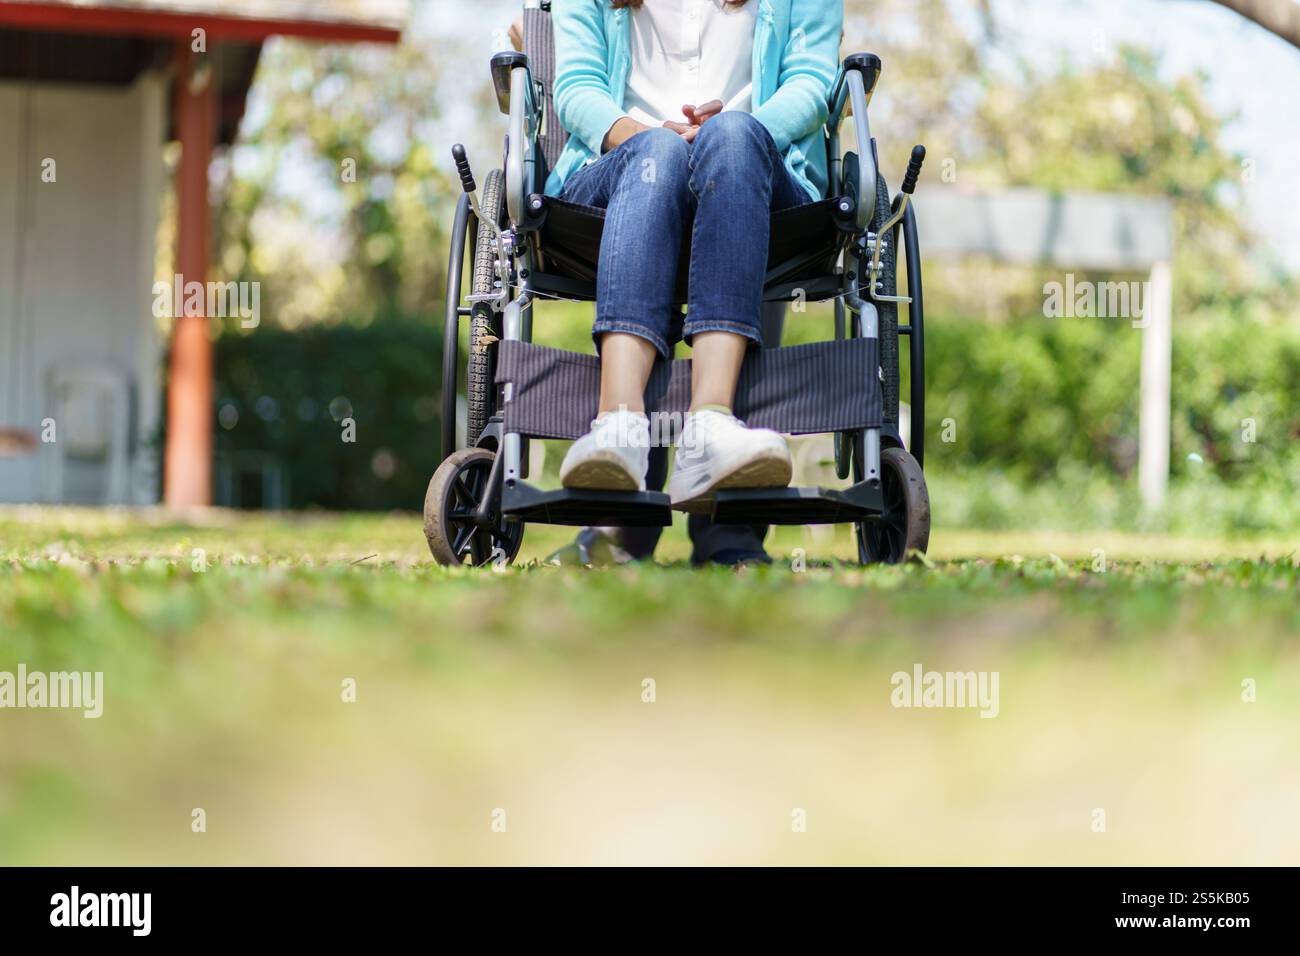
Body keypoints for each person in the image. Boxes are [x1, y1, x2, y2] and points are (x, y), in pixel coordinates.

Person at [539, 0, 843, 564]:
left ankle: (710, 425)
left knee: (731, 137)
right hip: (618, 174)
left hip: (754, 172)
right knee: (655, 152)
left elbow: (811, 82)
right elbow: (577, 87)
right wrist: (649, 135)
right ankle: (619, 427)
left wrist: (731, 133)